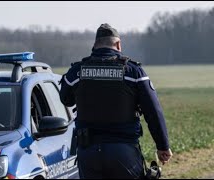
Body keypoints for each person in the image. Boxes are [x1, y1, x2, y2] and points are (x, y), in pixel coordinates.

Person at [59, 23, 172, 179]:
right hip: (123, 152)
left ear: (95, 45)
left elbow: (65, 99)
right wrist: (163, 146)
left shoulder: (77, 72)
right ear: (118, 44)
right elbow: (153, 111)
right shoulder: (133, 72)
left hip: (88, 152)